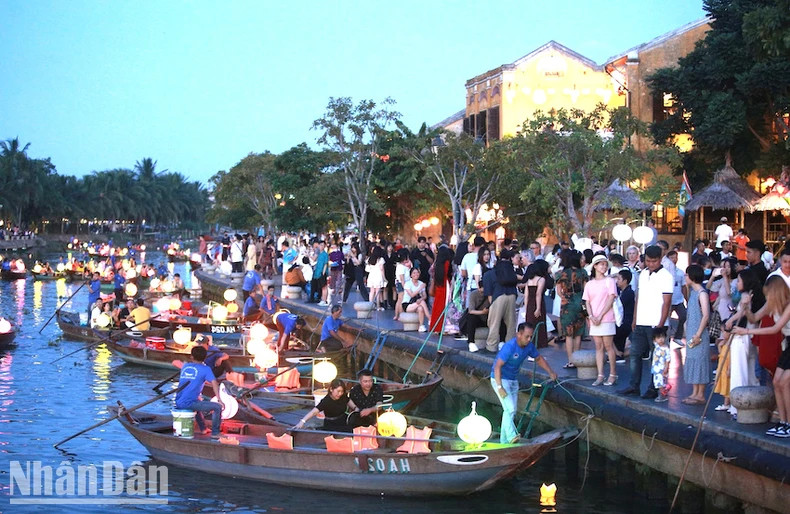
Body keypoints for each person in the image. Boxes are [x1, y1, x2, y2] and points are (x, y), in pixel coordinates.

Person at [732, 275, 790, 437]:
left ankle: (789, 423)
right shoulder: (772, 304)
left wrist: (747, 331)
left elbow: (775, 328)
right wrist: (746, 307)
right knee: (777, 381)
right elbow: (754, 318)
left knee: (784, 382)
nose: (767, 297)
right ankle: (783, 421)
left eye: (769, 294)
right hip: (788, 345)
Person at [619, 245, 672, 399]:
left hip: (656, 323)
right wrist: (635, 319)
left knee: (656, 359)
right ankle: (634, 385)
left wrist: (661, 325)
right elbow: (638, 298)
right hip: (641, 321)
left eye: (654, 261)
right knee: (635, 354)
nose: (650, 264)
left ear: (660, 259)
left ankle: (654, 388)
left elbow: (666, 302)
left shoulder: (666, 276)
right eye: (648, 261)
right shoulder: (642, 274)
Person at [490, 322, 558, 444]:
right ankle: (511, 436)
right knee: (510, 408)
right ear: (519, 334)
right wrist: (500, 387)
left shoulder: (529, 346)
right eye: (527, 336)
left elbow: (539, 359)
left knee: (511, 410)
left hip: (513, 379)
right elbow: (497, 367)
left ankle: (504, 442)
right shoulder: (509, 346)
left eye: (530, 336)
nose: (529, 339)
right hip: (499, 378)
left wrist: (550, 372)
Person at [583, 254, 618, 386]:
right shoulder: (590, 284)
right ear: (595, 266)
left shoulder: (610, 281)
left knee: (608, 346)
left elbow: (610, 299)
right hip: (594, 318)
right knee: (598, 346)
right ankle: (600, 374)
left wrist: (600, 316)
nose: (603, 266)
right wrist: (591, 316)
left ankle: (613, 374)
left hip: (607, 318)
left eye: (605, 264)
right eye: (601, 264)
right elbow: (587, 302)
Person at [174, 346, 224, 438]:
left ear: (192, 357)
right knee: (217, 407)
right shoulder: (206, 369)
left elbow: (175, 362)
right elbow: (214, 383)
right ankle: (215, 433)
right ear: (205, 357)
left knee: (197, 401)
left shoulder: (185, 366)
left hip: (178, 401)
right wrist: (219, 399)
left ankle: (203, 429)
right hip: (188, 403)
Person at [682, 265, 711, 405]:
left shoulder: (702, 294)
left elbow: (706, 315)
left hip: (699, 333)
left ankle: (700, 394)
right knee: (692, 359)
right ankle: (694, 392)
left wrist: (698, 333)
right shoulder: (693, 293)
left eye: (687, 275)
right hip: (691, 331)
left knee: (700, 360)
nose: (685, 278)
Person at [555, 251, 588, 369]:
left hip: (567, 305)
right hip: (580, 303)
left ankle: (571, 361)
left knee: (569, 334)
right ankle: (578, 359)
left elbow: (559, 292)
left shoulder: (561, 273)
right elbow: (586, 289)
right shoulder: (583, 273)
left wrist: (565, 297)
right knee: (578, 333)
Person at [523, 260, 550, 348]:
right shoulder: (541, 279)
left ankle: (529, 341)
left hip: (530, 304)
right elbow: (538, 294)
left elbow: (526, 296)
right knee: (539, 322)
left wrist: (526, 307)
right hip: (538, 303)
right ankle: (540, 342)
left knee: (530, 322)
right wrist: (538, 308)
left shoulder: (529, 280)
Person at [429, 246, 453, 334]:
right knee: (444, 306)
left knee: (437, 306)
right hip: (445, 285)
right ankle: (443, 328)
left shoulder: (436, 264)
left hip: (438, 285)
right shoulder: (447, 263)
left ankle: (435, 327)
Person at [614, 269, 635, 360]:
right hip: (622, 321)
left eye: (619, 279)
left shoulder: (629, 293)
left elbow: (619, 306)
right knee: (618, 341)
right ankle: (619, 353)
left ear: (625, 281)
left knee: (614, 336)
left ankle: (618, 354)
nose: (616, 281)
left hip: (625, 322)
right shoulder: (620, 291)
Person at [402, 268, 431, 332]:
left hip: (417, 303)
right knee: (422, 302)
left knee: (420, 308)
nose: (416, 274)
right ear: (411, 275)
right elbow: (412, 295)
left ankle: (421, 326)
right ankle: (429, 318)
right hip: (407, 304)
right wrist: (420, 288)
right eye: (414, 273)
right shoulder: (407, 284)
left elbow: (425, 296)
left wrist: (420, 299)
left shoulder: (421, 283)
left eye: (417, 273)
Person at [651, 327, 672, 402]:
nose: (661, 339)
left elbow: (668, 359)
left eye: (662, 337)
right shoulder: (657, 346)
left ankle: (662, 395)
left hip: (661, 369)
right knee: (657, 382)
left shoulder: (666, 349)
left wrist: (666, 368)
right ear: (655, 340)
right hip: (656, 369)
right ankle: (663, 392)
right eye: (658, 337)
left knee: (660, 383)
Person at [366, 246, 387, 311]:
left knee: (371, 291)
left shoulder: (369, 259)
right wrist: (384, 278)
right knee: (377, 292)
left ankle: (370, 305)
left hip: (371, 276)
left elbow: (367, 269)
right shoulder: (381, 259)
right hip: (378, 276)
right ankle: (378, 306)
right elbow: (382, 269)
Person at [309, 240, 329, 305]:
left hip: (322, 272)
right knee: (322, 286)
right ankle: (322, 299)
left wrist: (323, 272)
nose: (321, 247)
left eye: (322, 245)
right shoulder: (319, 254)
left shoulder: (325, 254)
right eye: (320, 245)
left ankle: (324, 300)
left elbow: (325, 264)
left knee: (324, 287)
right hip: (318, 271)